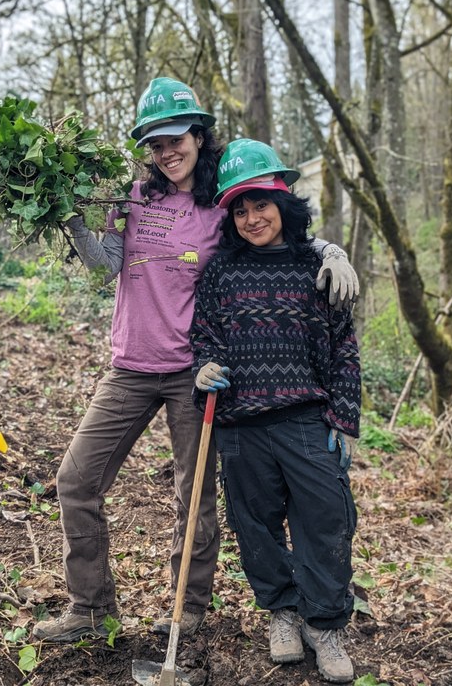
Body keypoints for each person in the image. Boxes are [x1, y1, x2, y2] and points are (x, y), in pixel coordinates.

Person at [32, 79, 359, 644]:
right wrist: (74, 219)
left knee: (194, 496)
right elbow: (104, 265)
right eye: (155, 144)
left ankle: (188, 607)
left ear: (198, 136)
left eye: (176, 138)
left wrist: (333, 251)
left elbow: (276, 229)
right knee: (75, 481)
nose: (167, 152)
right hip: (130, 367)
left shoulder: (221, 205)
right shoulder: (132, 197)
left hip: (195, 371)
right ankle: (90, 609)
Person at [190, 138, 361, 684]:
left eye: (260, 204)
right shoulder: (220, 274)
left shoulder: (319, 267)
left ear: (283, 203)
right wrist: (204, 371)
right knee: (256, 526)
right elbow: (204, 338)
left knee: (326, 520)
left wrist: (345, 418)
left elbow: (343, 349)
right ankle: (282, 613)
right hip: (241, 424)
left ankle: (326, 624)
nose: (251, 217)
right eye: (239, 209)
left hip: (306, 421)